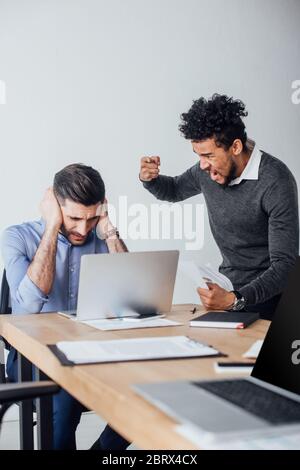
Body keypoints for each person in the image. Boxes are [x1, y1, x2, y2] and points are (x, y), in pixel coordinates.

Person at [2, 163, 130, 450]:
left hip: (91, 352)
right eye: (73, 218)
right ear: (55, 206)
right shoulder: (16, 237)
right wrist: (52, 227)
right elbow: (30, 304)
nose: (83, 229)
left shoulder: (102, 238)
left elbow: (130, 299)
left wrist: (110, 233)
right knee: (65, 394)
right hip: (31, 355)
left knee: (149, 389)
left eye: (90, 218)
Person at [139, 94, 299, 319]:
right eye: (198, 155)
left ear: (235, 147)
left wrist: (236, 299)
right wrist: (150, 179)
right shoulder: (208, 171)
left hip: (270, 304)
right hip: (227, 298)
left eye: (208, 155)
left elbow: (285, 267)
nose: (202, 164)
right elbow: (174, 189)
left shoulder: (276, 181)